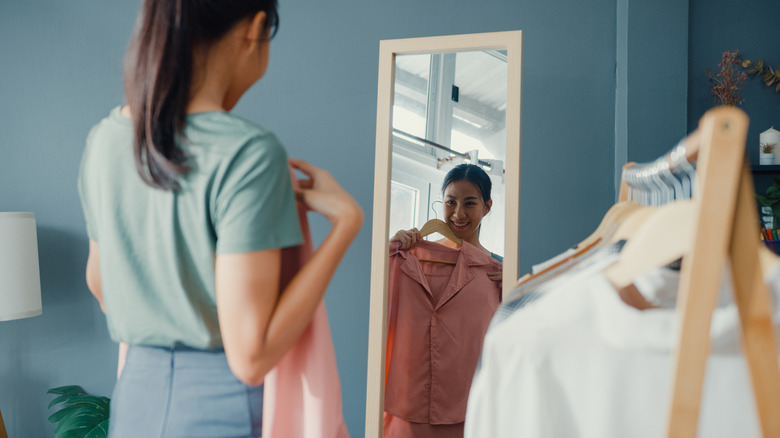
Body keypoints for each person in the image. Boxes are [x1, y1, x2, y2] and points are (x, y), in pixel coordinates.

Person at [77, 1, 362, 436]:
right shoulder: (248, 153)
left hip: (135, 401)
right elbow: (251, 357)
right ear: (256, 28)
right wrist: (345, 226)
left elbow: (101, 285)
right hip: (219, 409)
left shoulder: (104, 141)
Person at [391, 163, 502, 281]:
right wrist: (389, 250)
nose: (458, 215)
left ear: (487, 207)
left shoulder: (502, 269)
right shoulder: (408, 255)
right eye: (451, 202)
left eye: (469, 203)